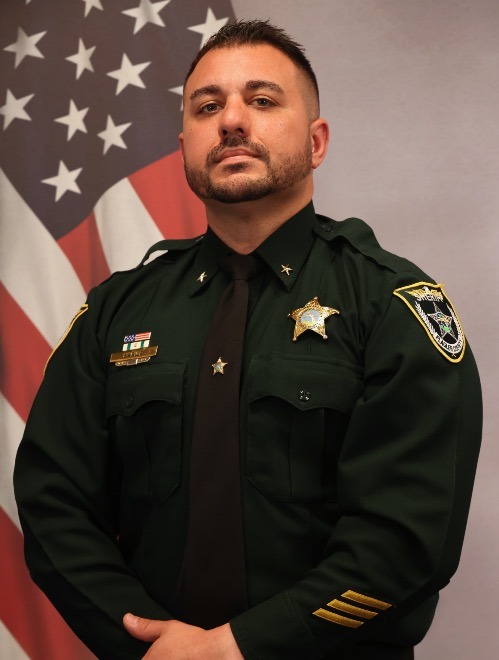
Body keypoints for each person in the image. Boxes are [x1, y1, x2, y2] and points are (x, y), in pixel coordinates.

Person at [14, 20, 482, 660]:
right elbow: (53, 503)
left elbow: (409, 537)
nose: (232, 120)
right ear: (184, 146)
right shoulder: (115, 312)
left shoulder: (392, 306)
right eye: (208, 107)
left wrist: (242, 647)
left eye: (262, 101)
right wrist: (153, 645)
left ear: (316, 142)